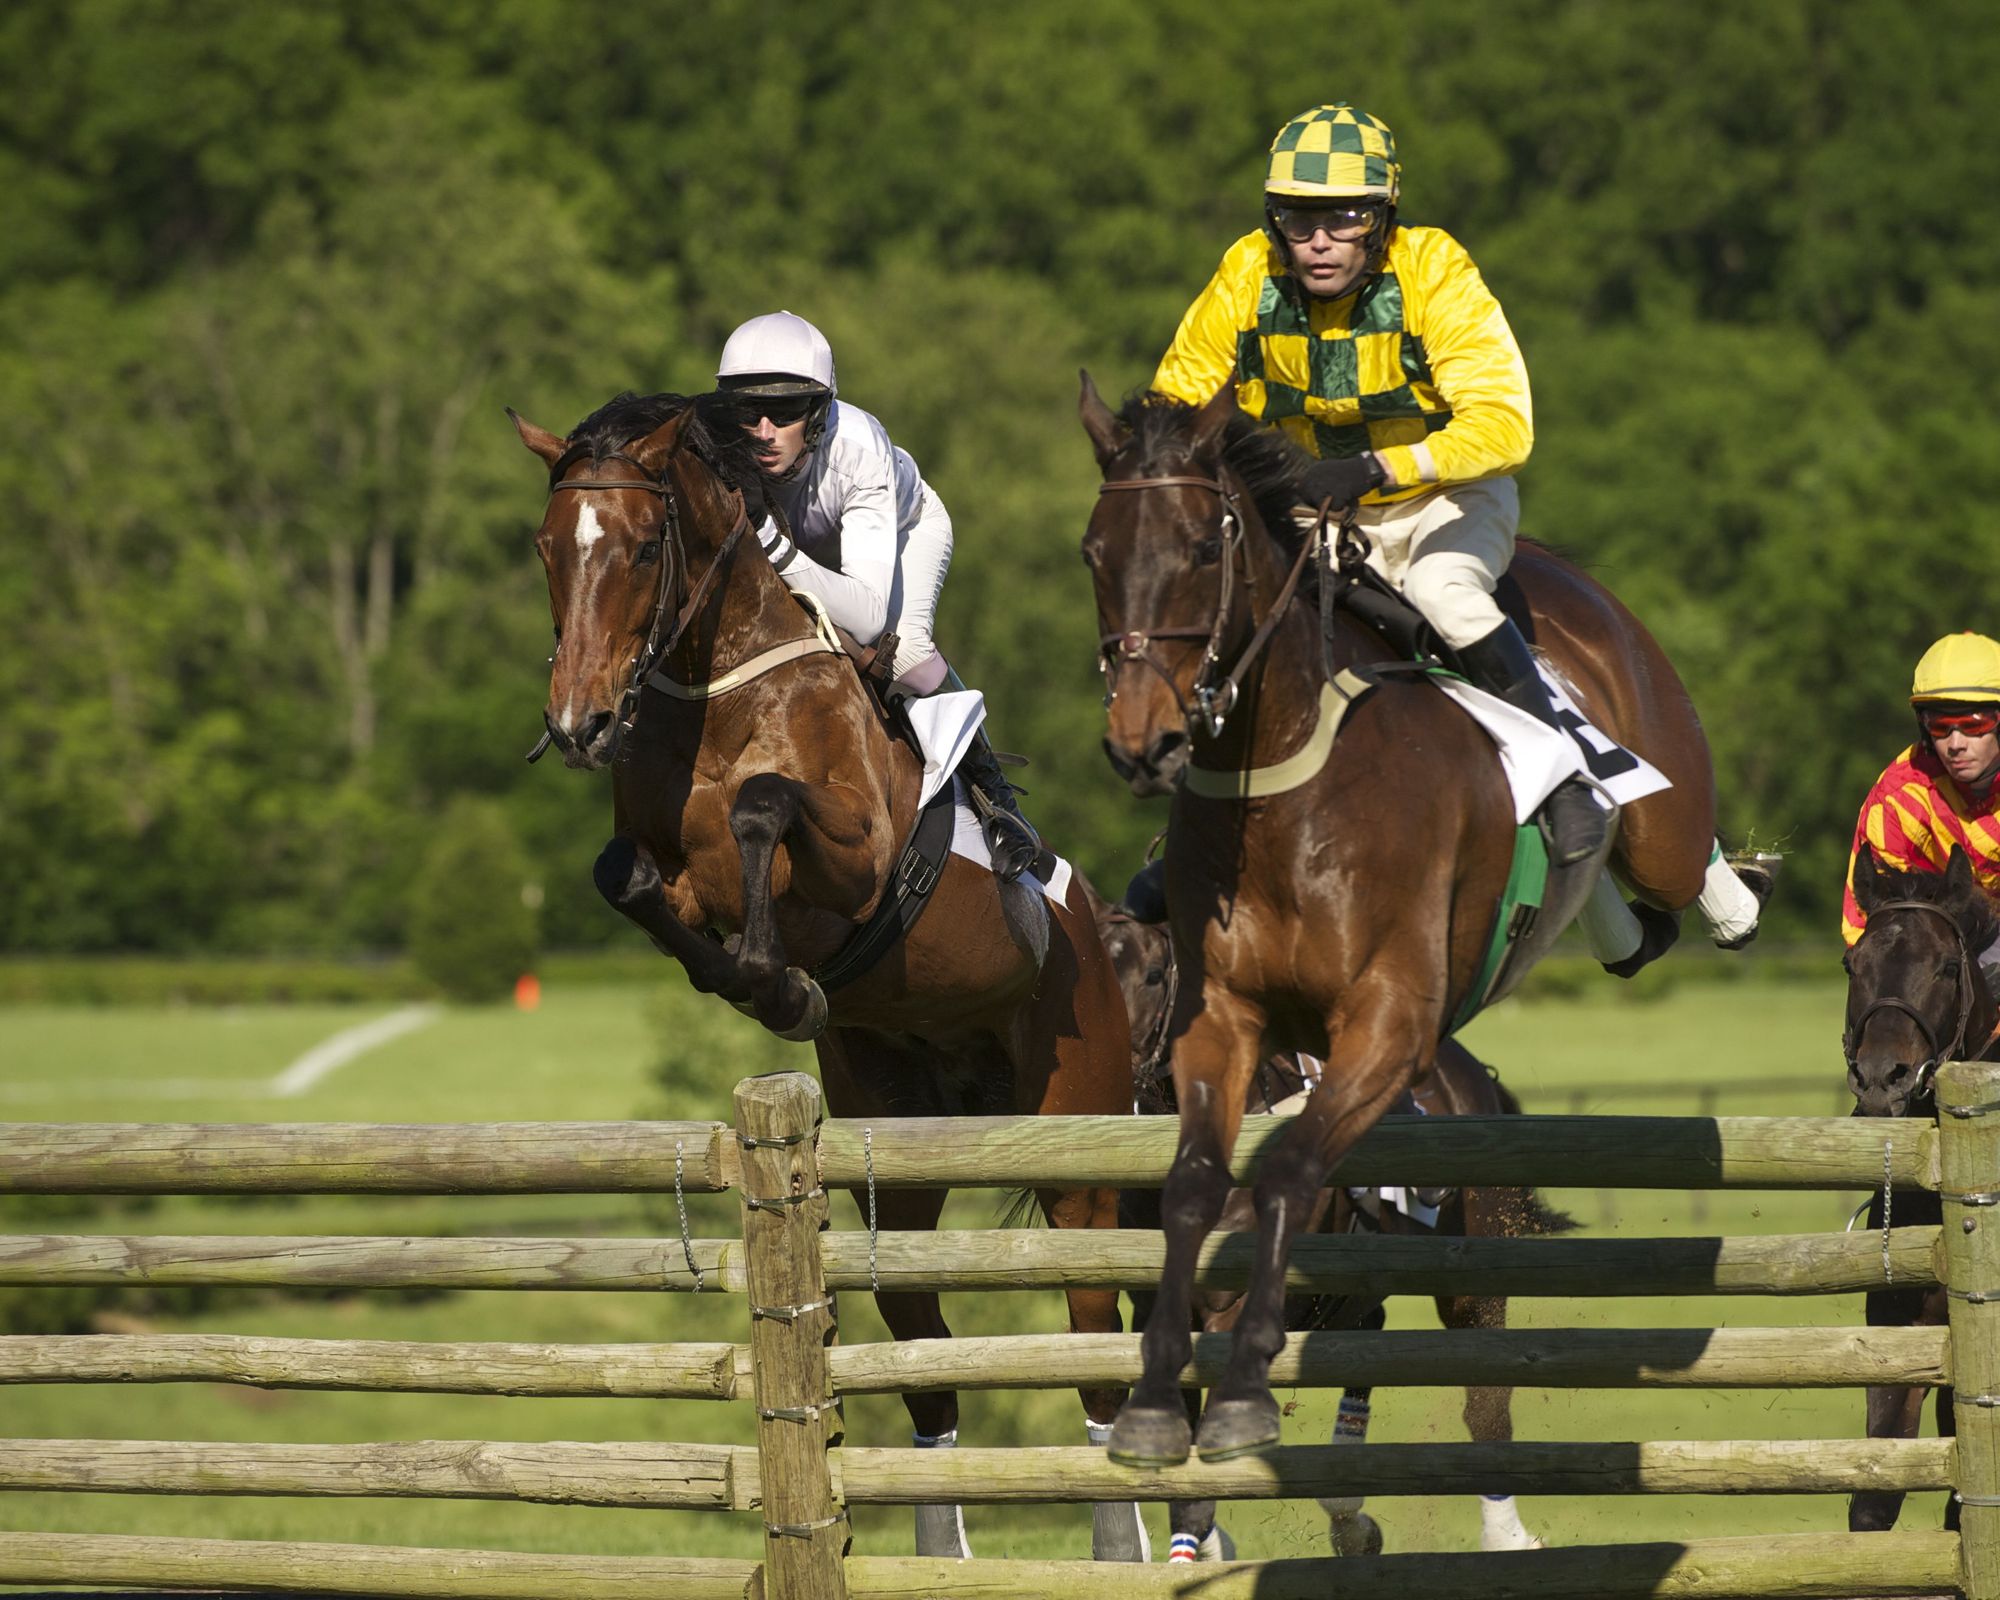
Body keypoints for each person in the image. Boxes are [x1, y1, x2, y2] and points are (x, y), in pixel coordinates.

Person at [1152, 102, 1606, 867]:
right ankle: (1188, 848)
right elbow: (1179, 401)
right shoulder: (1245, 273)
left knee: (1444, 595)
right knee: (1243, 615)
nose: (1319, 241)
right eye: (1297, 220)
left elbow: (1505, 426)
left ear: (1383, 218)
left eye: (1344, 218)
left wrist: (1380, 468)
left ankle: (1566, 778)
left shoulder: (1434, 269)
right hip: (1320, 512)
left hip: (1443, 498)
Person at [713, 310, 1047, 880]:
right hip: (807, 548)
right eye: (749, 413)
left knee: (908, 658)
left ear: (817, 415)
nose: (765, 431)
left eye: (786, 412)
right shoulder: (722, 445)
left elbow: (867, 617)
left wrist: (770, 541)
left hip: (904, 531)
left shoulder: (860, 448)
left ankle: (1000, 807)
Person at [1842, 631, 2000, 949]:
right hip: (1944, 957)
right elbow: (1871, 930)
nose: (1955, 744)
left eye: (1973, 725)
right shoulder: (1895, 802)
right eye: (1941, 727)